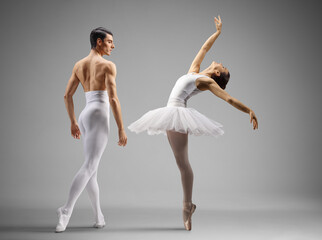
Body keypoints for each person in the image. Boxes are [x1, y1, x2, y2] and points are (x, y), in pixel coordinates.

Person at [128, 16, 258, 231]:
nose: (219, 61)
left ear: (216, 73)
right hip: (171, 112)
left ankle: (187, 207)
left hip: (177, 113)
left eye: (221, 66)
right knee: (182, 164)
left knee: (184, 165)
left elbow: (228, 98)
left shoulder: (205, 81)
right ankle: (188, 206)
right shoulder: (194, 71)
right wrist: (217, 33)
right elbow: (204, 48)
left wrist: (249, 110)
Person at [56, 27, 128, 233]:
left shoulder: (79, 65)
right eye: (109, 42)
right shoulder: (108, 65)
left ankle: (98, 217)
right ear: (98, 42)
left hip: (85, 114)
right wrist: (121, 128)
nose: (113, 46)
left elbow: (67, 96)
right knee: (89, 166)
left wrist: (72, 122)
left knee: (92, 172)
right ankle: (66, 210)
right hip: (99, 114)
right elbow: (113, 98)